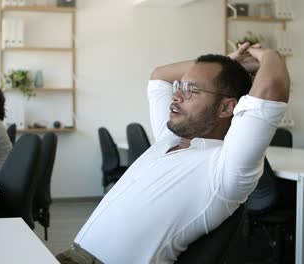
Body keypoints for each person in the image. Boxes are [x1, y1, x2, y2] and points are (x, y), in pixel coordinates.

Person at [56, 43, 290, 264]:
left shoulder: (225, 169)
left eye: (191, 90)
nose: (175, 96)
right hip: (73, 254)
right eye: (179, 86)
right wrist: (231, 62)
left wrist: (268, 54)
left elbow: (272, 87)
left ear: (226, 107)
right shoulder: (169, 139)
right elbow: (159, 75)